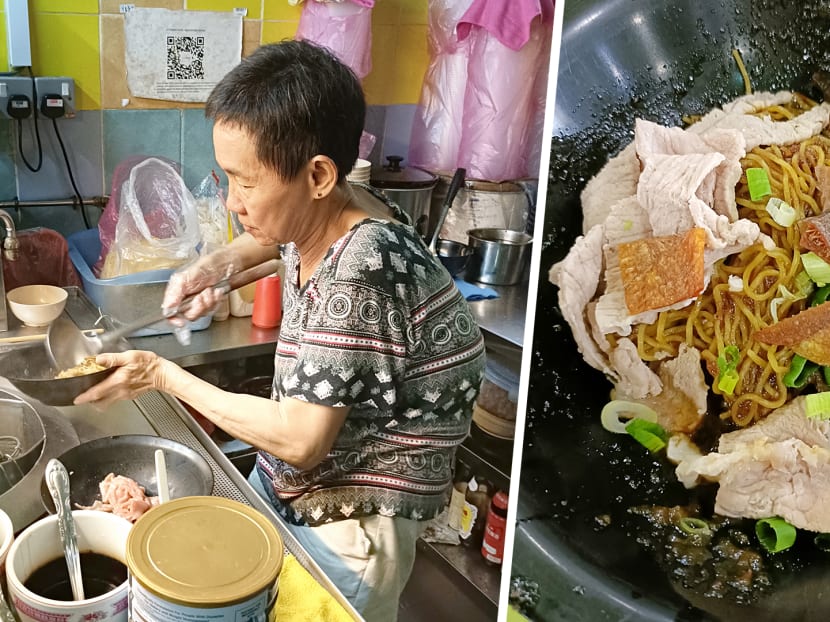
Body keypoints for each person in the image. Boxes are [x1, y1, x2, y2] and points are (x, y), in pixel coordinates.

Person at [75, 40, 486, 622]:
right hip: (306, 489)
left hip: (354, 524)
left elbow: (300, 439)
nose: (234, 202)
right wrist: (214, 265)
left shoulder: (363, 274)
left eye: (245, 183)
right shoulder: (345, 204)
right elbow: (278, 236)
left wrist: (161, 374)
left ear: (318, 174)